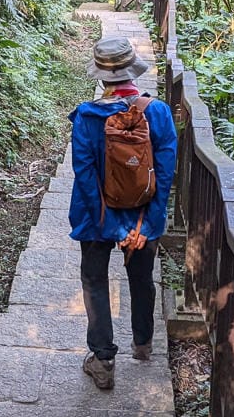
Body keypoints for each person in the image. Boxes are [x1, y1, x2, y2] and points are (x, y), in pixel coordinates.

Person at [68, 35, 177, 390]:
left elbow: (85, 176)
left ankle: (103, 361)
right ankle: (143, 344)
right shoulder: (157, 112)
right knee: (142, 278)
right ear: (133, 69)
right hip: (143, 214)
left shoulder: (87, 116)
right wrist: (146, 224)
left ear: (101, 75)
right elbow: (165, 174)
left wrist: (112, 226)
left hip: (96, 217)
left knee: (95, 281)